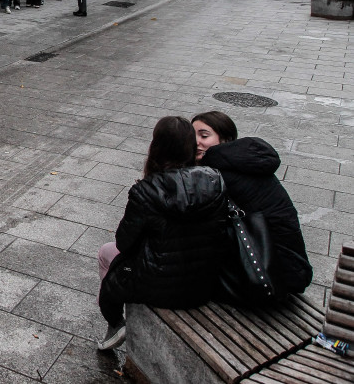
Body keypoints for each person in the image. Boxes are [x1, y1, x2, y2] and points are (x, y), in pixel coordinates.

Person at [95, 116, 227, 351]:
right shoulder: (215, 180)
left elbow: (124, 243)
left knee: (108, 255)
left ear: (156, 147)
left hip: (159, 286)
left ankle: (115, 323)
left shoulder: (145, 190)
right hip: (204, 284)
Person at [192, 111, 313, 298]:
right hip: (292, 267)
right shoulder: (243, 161)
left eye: (204, 135)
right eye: (192, 136)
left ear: (225, 140)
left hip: (271, 274)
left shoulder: (218, 174)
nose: (196, 141)